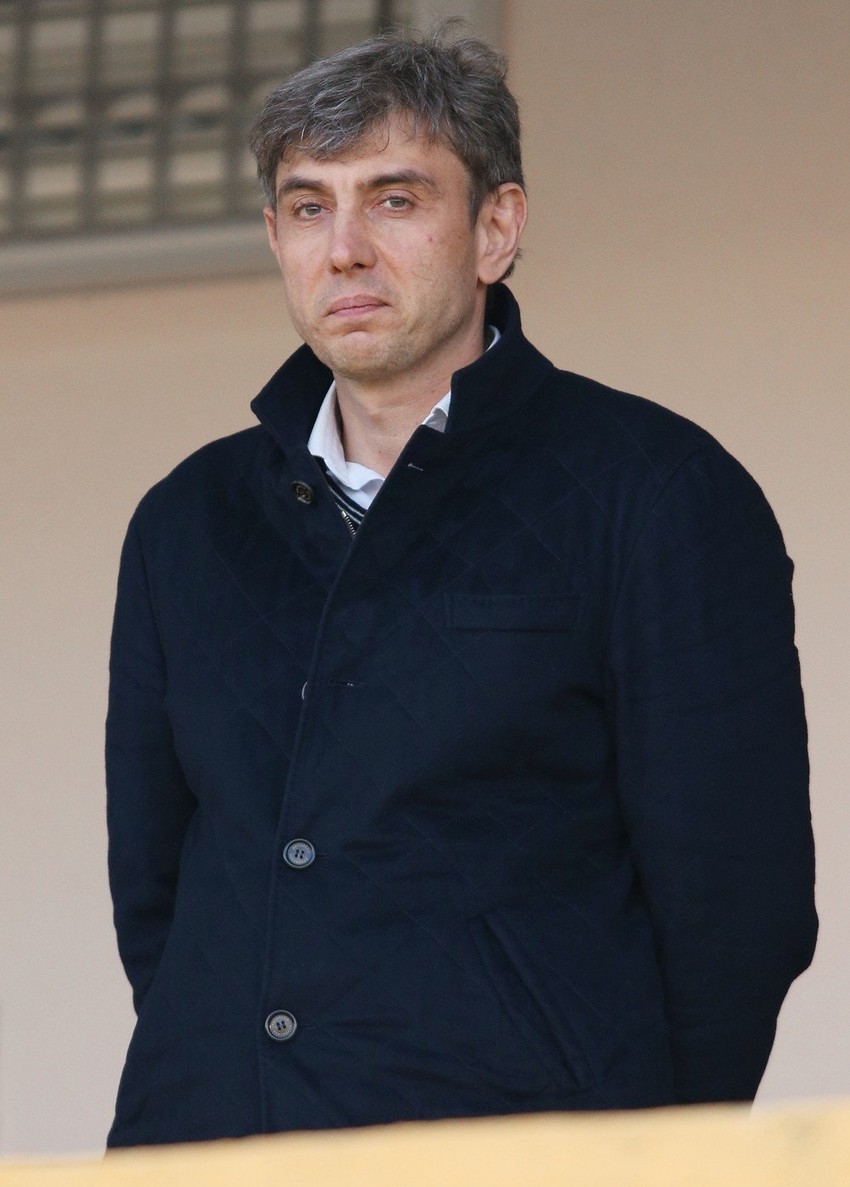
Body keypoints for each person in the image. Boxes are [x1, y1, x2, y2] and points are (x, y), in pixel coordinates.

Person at [105, 29, 817, 1149]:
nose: (344, 250)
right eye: (308, 207)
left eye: (394, 200)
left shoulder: (655, 492)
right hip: (209, 1142)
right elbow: (157, 892)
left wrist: (643, 1150)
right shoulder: (184, 523)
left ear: (496, 228)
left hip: (530, 1148)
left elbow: (736, 901)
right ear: (275, 237)